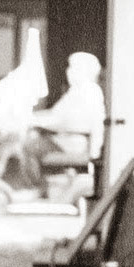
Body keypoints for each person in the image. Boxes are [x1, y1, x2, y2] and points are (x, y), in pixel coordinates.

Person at [20, 51, 106, 188]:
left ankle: (37, 186)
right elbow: (56, 114)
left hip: (72, 142)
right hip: (67, 139)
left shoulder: (87, 92)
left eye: (73, 68)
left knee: (29, 146)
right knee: (33, 139)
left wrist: (35, 120)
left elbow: (63, 120)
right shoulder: (78, 91)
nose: (68, 72)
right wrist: (34, 118)